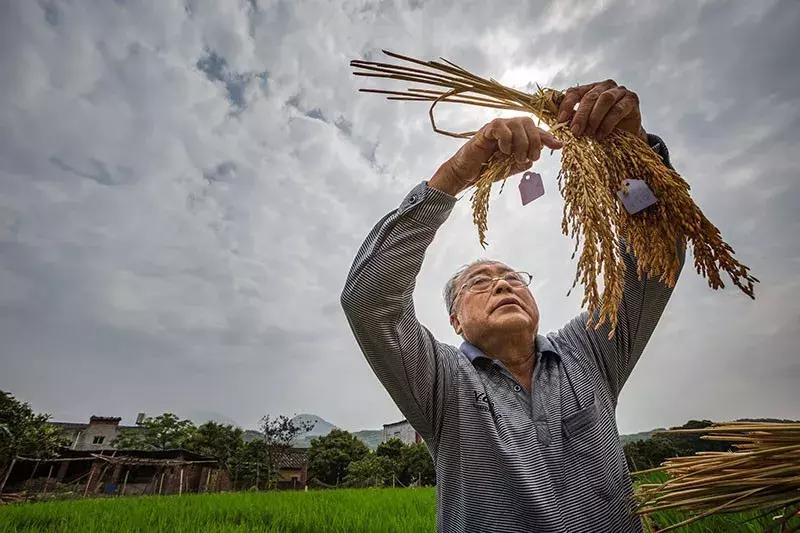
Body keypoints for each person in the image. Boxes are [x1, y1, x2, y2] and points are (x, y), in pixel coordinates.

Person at [340, 79, 685, 533]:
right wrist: (459, 172)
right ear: (455, 321)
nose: (503, 285)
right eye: (479, 282)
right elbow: (369, 300)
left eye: (513, 278)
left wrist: (629, 156)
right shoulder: (442, 384)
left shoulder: (590, 352)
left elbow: (654, 262)